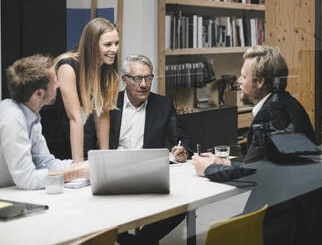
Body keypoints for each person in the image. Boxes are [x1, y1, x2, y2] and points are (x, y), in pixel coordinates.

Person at [192, 45, 322, 244]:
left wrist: (209, 168)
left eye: (244, 76)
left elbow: (251, 174)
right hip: (312, 218)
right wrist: (225, 162)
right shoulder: (286, 103)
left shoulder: (271, 114)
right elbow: (266, 160)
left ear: (260, 82)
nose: (239, 81)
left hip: (293, 226)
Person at [84, 54, 192, 244]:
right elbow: (88, 142)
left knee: (180, 209)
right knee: (103, 214)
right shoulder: (107, 104)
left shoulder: (163, 104)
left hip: (148, 175)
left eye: (148, 78)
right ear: (124, 80)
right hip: (113, 175)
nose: (144, 84)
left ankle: (138, 242)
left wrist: (182, 150)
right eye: (137, 79)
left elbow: (181, 137)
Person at [0, 54, 89, 190]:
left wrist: (84, 166)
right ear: (39, 93)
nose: (58, 85)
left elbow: (45, 162)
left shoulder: (31, 115)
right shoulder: (12, 117)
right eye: (55, 81)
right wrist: (75, 172)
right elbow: (26, 180)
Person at [41, 17, 120, 162]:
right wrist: (78, 164)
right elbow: (74, 118)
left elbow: (102, 114)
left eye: (116, 43)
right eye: (108, 44)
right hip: (53, 138)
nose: (114, 49)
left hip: (75, 134)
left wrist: (106, 159)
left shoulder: (105, 69)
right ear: (92, 45)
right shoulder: (67, 67)